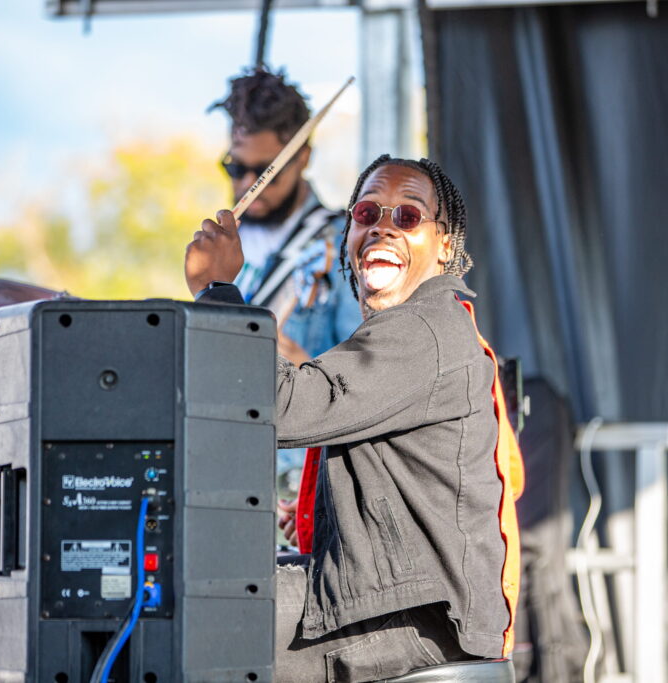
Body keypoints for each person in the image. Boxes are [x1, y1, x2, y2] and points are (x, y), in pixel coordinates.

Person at [185, 155, 523, 682]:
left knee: (191, 620)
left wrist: (217, 293)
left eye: (408, 216)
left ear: (444, 246)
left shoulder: (426, 328)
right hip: (396, 601)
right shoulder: (420, 327)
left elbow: (282, 406)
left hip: (415, 619)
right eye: (367, 213)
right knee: (200, 587)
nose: (383, 226)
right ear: (349, 234)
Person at [209, 68, 362, 365]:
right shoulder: (219, 246)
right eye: (236, 169)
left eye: (265, 174)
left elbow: (366, 379)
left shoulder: (346, 246)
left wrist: (306, 373)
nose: (248, 185)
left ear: (303, 158)